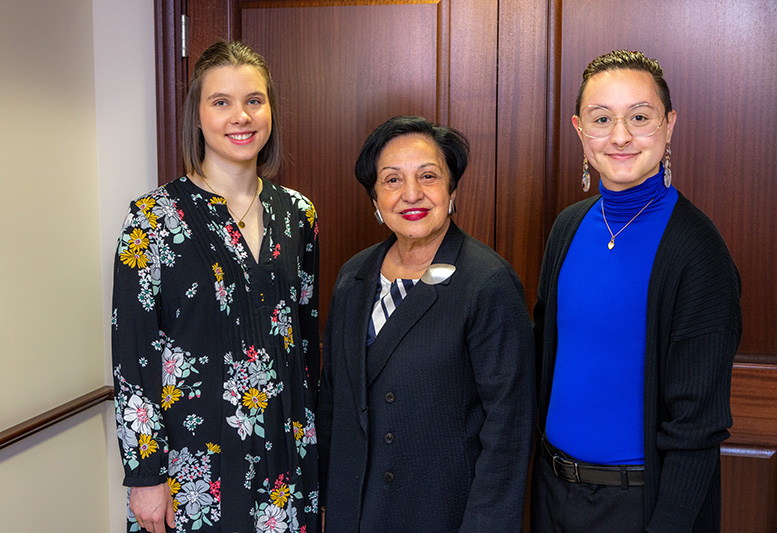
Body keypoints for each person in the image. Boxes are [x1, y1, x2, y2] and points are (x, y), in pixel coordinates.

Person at [111, 41, 320, 533]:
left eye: (254, 100)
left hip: (286, 463)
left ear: (270, 111)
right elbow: (133, 357)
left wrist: (318, 462)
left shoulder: (299, 214)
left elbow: (307, 348)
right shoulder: (151, 220)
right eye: (221, 102)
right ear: (198, 117)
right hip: (192, 473)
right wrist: (145, 475)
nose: (241, 116)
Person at [532, 50, 742, 532]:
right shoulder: (568, 227)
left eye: (640, 117)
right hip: (552, 490)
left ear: (668, 126)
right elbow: (543, 350)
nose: (621, 136)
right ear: (579, 129)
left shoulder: (697, 251)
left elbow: (698, 424)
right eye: (602, 118)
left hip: (640, 506)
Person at [317, 116, 535, 532]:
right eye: (392, 180)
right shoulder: (354, 277)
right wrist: (328, 503)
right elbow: (334, 405)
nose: (411, 194)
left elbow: (509, 430)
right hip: (354, 513)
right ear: (375, 200)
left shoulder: (487, 282)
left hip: (439, 515)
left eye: (428, 176)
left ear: (452, 190)